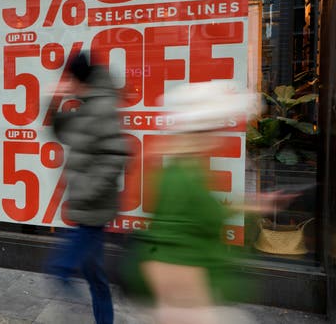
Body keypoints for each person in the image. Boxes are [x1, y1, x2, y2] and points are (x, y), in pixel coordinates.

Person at [126, 81, 260, 324]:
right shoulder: (183, 176)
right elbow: (172, 243)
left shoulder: (186, 169)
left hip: (189, 290)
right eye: (214, 129)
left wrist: (246, 206)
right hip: (186, 292)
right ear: (199, 133)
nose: (220, 136)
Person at [47, 53, 129, 324]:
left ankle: (63, 273)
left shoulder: (102, 106)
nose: (66, 83)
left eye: (69, 78)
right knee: (95, 274)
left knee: (63, 267)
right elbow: (63, 133)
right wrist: (54, 103)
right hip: (87, 201)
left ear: (77, 78)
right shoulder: (87, 105)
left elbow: (117, 155)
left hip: (95, 203)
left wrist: (90, 190)